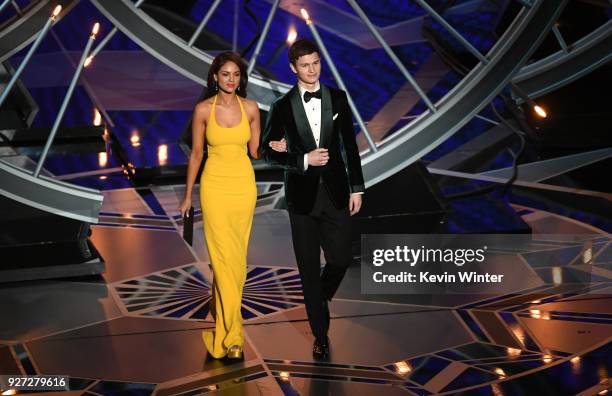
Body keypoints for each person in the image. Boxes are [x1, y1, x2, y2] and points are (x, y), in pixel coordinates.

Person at [261, 39, 365, 360]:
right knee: (308, 269)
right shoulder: (281, 107)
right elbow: (267, 151)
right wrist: (302, 159)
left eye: (316, 63)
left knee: (341, 258)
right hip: (301, 198)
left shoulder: (337, 98)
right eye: (305, 65)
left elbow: (349, 144)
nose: (312, 69)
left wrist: (357, 187)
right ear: (293, 68)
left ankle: (318, 299)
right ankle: (320, 335)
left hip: (335, 192)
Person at [178, 52, 286, 359]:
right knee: (223, 259)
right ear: (215, 76)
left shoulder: (251, 108)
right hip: (214, 188)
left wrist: (273, 145)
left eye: (236, 75)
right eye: (225, 74)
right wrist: (188, 196)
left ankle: (221, 316)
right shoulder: (202, 110)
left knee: (235, 263)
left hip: (243, 188)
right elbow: (196, 154)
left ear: (241, 78)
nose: (231, 79)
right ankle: (233, 338)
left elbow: (254, 152)